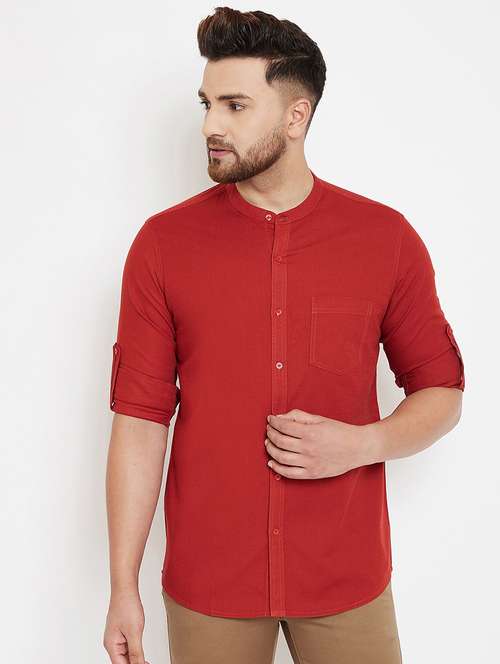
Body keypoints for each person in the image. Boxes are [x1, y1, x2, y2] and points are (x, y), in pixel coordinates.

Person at [103, 7, 465, 664]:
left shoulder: (385, 240)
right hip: (211, 581)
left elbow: (442, 391)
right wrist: (122, 586)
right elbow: (140, 420)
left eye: (235, 105)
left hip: (346, 577)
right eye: (208, 103)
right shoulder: (162, 246)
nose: (210, 125)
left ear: (296, 117)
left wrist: (363, 443)